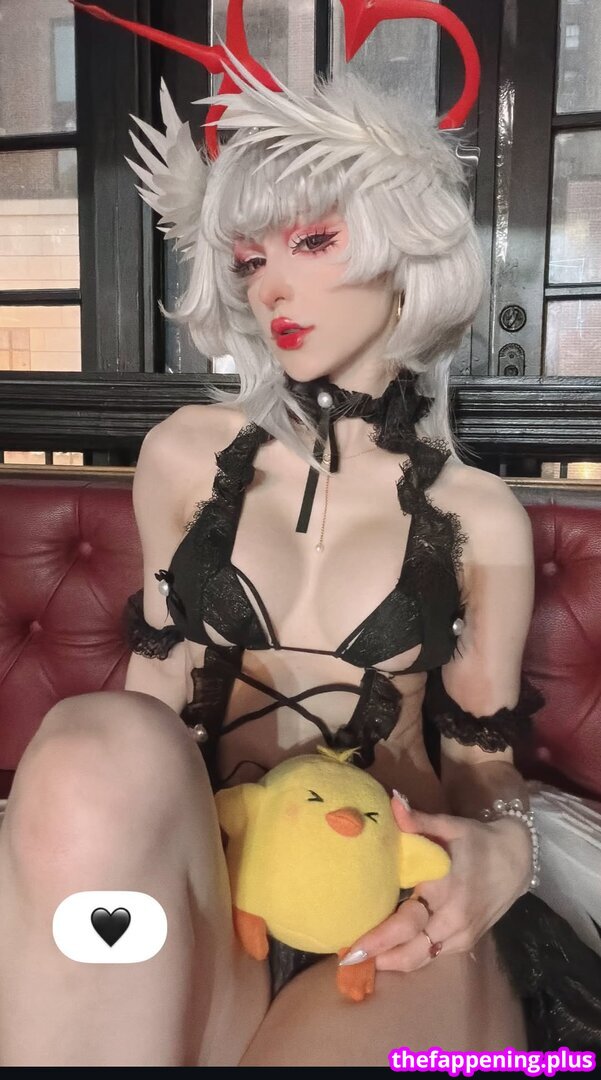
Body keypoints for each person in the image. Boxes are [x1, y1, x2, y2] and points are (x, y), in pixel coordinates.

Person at [0, 3, 599, 1068]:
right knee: (94, 744)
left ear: (407, 249)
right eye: (247, 258)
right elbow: (155, 688)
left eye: (314, 242)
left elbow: (478, 764)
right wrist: (94, 833)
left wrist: (506, 849)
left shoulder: (476, 516)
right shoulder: (185, 455)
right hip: (210, 878)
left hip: (384, 902)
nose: (271, 285)